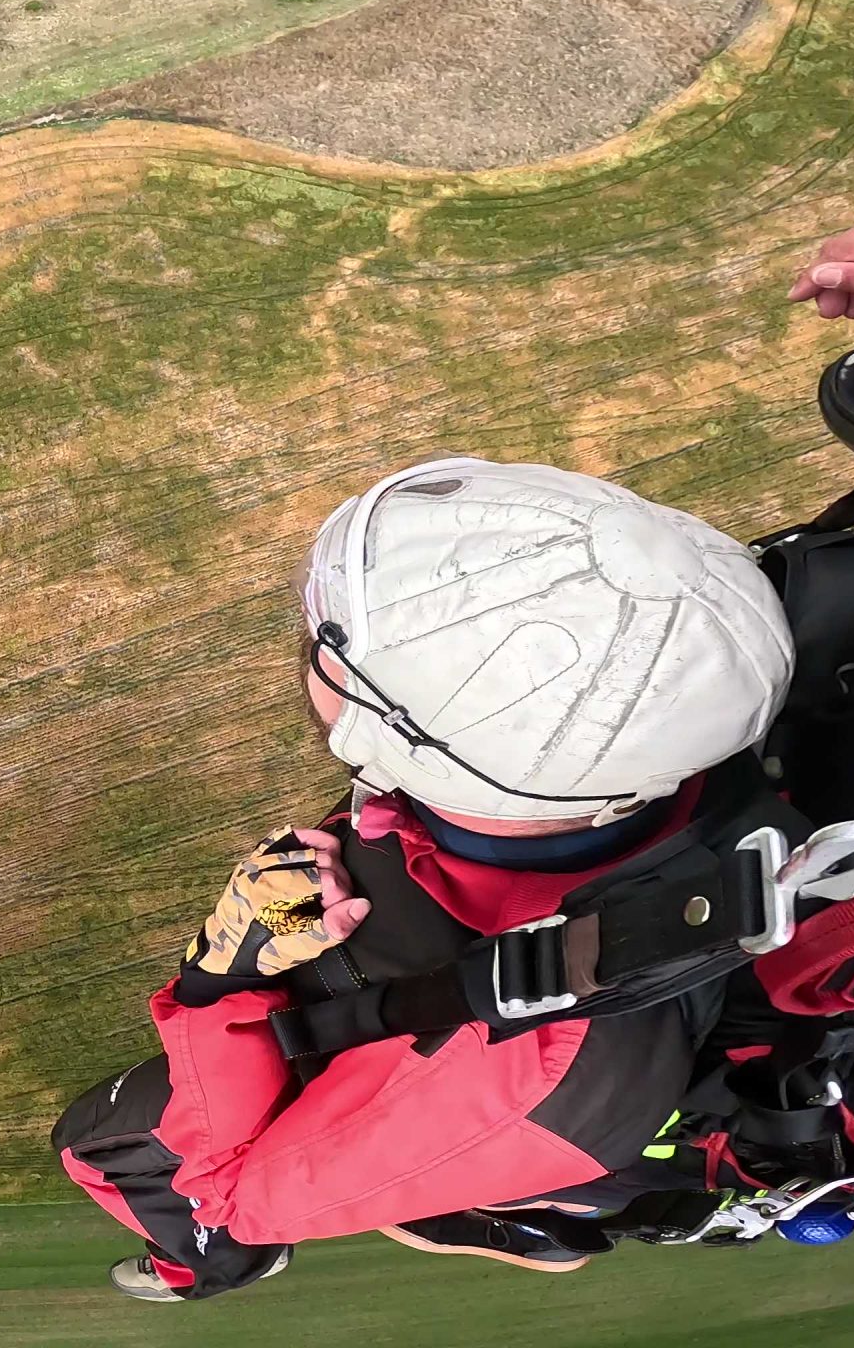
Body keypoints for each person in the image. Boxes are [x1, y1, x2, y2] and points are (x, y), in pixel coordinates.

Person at [53, 457, 800, 1301]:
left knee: (100, 1142)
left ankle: (225, 1266)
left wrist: (217, 979)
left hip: (511, 1118)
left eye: (332, 653)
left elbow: (228, 1195)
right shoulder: (640, 739)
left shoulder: (535, 1073)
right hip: (463, 1025)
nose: (314, 649)